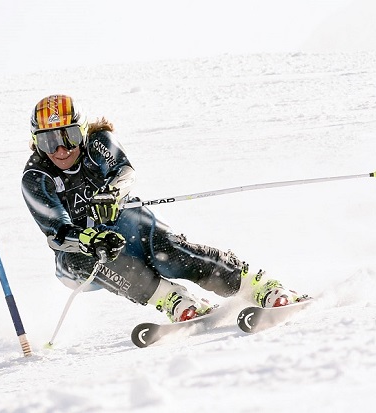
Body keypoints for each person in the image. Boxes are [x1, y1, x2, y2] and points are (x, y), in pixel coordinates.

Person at [21, 94, 307, 323]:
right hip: (79, 255)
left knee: (168, 253)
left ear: (82, 131)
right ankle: (169, 297)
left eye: (69, 136)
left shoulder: (98, 144)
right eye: (49, 140)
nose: (61, 149)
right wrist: (89, 240)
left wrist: (110, 194)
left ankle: (256, 286)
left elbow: (124, 172)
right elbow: (57, 234)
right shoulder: (36, 177)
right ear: (36, 142)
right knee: (84, 259)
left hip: (121, 222)